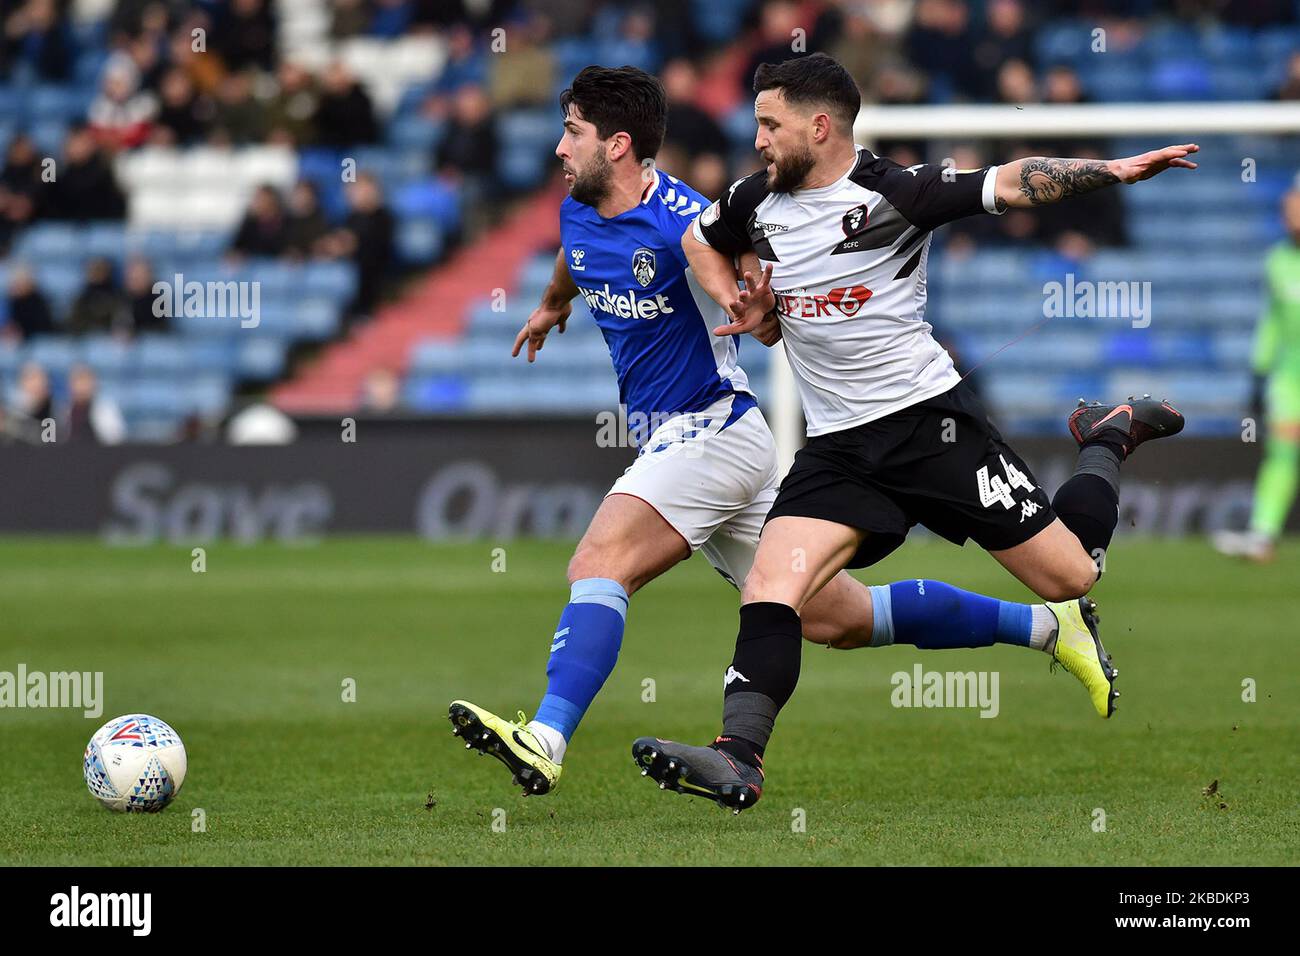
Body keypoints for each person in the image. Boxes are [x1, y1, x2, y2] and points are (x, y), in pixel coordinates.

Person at [446, 65, 1121, 802]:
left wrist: (755, 309)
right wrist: (551, 306)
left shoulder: (684, 217)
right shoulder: (579, 207)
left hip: (710, 428)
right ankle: (1049, 630)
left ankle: (544, 739)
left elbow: (755, 301)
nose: (556, 148)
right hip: (707, 446)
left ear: (617, 145)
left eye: (570, 133)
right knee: (837, 617)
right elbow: (577, 257)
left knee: (600, 560)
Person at [634, 53, 1192, 812]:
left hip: (932, 431)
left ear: (819, 126)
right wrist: (745, 302)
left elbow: (1012, 180)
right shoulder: (753, 200)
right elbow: (701, 238)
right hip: (837, 451)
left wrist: (1111, 170)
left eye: (770, 124)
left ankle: (1108, 435)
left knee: (1072, 577)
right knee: (772, 585)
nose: (756, 137)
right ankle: (738, 756)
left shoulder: (895, 193)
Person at [1212, 184, 1300, 562]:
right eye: (1286, 208)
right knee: (1282, 452)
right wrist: (1259, 372)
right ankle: (1262, 536)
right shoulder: (1278, 260)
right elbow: (1274, 323)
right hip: (1289, 375)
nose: (1289, 216)